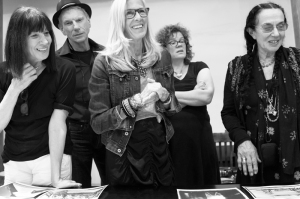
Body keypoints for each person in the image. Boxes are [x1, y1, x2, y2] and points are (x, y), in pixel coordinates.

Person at [88, 0, 181, 186]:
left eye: (141, 11)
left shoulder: (161, 56)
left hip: (160, 143)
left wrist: (165, 97)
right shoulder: (104, 62)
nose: (138, 18)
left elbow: (173, 107)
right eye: (130, 13)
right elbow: (97, 123)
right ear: (118, 19)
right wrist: (133, 103)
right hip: (123, 148)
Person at [0, 6, 81, 188]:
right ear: (18, 39)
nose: (45, 41)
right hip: (14, 162)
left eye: (47, 33)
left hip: (50, 160)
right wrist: (14, 89)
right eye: (35, 35)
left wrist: (56, 179)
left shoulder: (63, 69)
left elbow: (57, 125)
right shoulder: (3, 73)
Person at [221, 2, 300, 184]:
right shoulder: (237, 68)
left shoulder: (297, 61)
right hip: (253, 162)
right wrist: (242, 141)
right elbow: (229, 113)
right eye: (267, 27)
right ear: (252, 32)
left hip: (294, 162)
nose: (276, 33)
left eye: (281, 26)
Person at [156, 24, 220, 186]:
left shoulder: (199, 67)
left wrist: (169, 97)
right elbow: (159, 107)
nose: (179, 44)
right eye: (173, 42)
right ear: (164, 49)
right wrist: (192, 94)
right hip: (172, 143)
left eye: (182, 41)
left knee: (206, 188)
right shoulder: (160, 75)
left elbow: (206, 96)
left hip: (200, 140)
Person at [52, 0, 106, 188]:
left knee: (114, 184)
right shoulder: (56, 62)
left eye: (79, 20)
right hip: (75, 132)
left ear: (89, 21)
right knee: (78, 187)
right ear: (61, 28)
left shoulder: (106, 55)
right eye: (68, 23)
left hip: (107, 129)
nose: (76, 27)